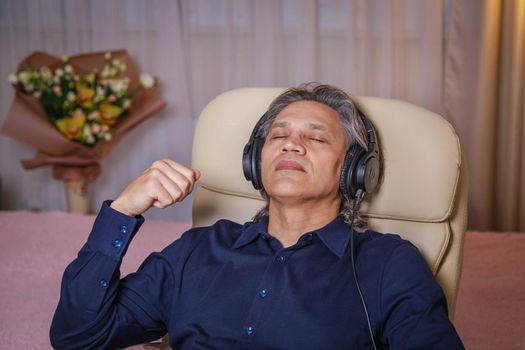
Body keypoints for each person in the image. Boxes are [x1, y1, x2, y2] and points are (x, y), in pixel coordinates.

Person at [50, 83, 464, 349]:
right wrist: (122, 211)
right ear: (254, 162)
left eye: (315, 137)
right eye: (278, 136)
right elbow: (77, 335)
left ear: (356, 168)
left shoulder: (389, 264)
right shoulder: (197, 250)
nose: (290, 145)